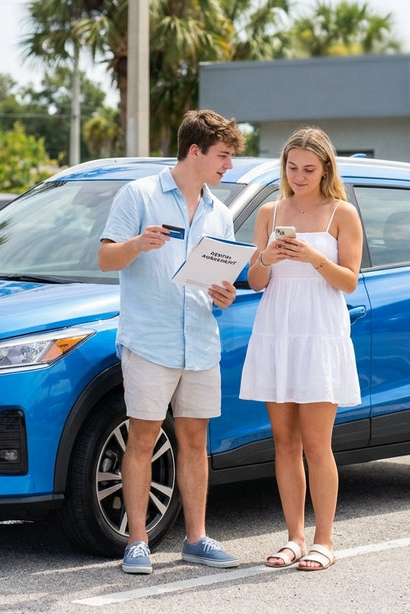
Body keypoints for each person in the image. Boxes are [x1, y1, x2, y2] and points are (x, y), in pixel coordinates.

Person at [98, 109, 246, 575]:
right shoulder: (137, 195)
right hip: (149, 339)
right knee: (142, 438)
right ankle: (138, 541)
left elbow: (222, 280)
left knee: (195, 441)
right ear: (195, 151)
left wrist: (226, 294)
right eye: (223, 156)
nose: (229, 166)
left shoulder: (219, 212)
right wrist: (138, 244)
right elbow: (105, 258)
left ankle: (197, 538)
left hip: (200, 339)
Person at [238, 127, 363, 572]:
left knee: (316, 443)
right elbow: (255, 282)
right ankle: (293, 537)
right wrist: (267, 258)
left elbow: (349, 281)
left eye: (309, 168)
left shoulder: (342, 213)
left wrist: (313, 257)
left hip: (319, 333)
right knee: (284, 442)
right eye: (292, 167)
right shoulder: (270, 212)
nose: (300, 175)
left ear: (326, 167)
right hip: (277, 330)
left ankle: (324, 540)